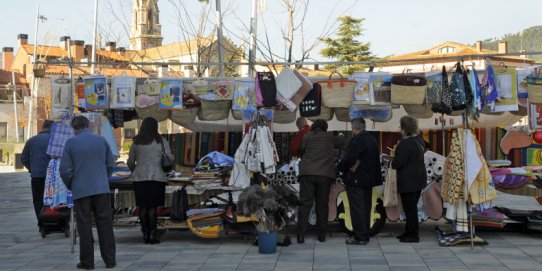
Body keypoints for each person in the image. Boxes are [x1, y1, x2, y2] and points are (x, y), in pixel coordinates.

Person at [59, 116, 116, 270]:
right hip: (101, 189)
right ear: (88, 125)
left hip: (81, 190)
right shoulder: (101, 141)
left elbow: (65, 170)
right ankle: (110, 260)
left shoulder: (71, 143)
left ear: (74, 128)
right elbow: (111, 164)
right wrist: (103, 178)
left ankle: (87, 261)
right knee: (105, 224)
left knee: (84, 226)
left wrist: (72, 184)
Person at [297, 119, 344, 243]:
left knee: (305, 204)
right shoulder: (329, 137)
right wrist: (340, 134)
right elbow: (341, 142)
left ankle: (301, 235)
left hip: (307, 173)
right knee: (322, 205)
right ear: (325, 127)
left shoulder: (307, 136)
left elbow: (301, 151)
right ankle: (321, 235)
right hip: (324, 175)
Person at [127, 117, 172, 244]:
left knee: (142, 207)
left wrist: (135, 169)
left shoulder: (136, 141)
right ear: (155, 127)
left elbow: (130, 161)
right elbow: (169, 157)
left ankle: (145, 233)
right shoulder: (161, 141)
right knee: (152, 207)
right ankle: (152, 235)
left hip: (140, 177)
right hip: (157, 177)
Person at [338, 118, 381, 245]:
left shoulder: (358, 140)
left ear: (354, 128)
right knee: (366, 206)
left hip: (357, 178)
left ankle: (360, 236)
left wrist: (340, 168)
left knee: (357, 207)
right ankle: (365, 233)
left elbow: (348, 159)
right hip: (369, 178)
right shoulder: (372, 139)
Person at [391, 116, 427, 243]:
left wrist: (393, 159)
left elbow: (397, 163)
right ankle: (408, 232)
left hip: (408, 181)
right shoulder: (419, 141)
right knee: (411, 208)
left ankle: (412, 235)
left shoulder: (404, 144)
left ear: (404, 129)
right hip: (419, 179)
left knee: (410, 210)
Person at [21, 120, 53, 230]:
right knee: (52, 198)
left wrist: (32, 168)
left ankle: (41, 223)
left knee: (38, 199)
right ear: (51, 128)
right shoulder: (53, 140)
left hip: (36, 176)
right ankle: (54, 220)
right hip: (52, 176)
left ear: (43, 127)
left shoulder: (31, 141)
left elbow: (24, 159)